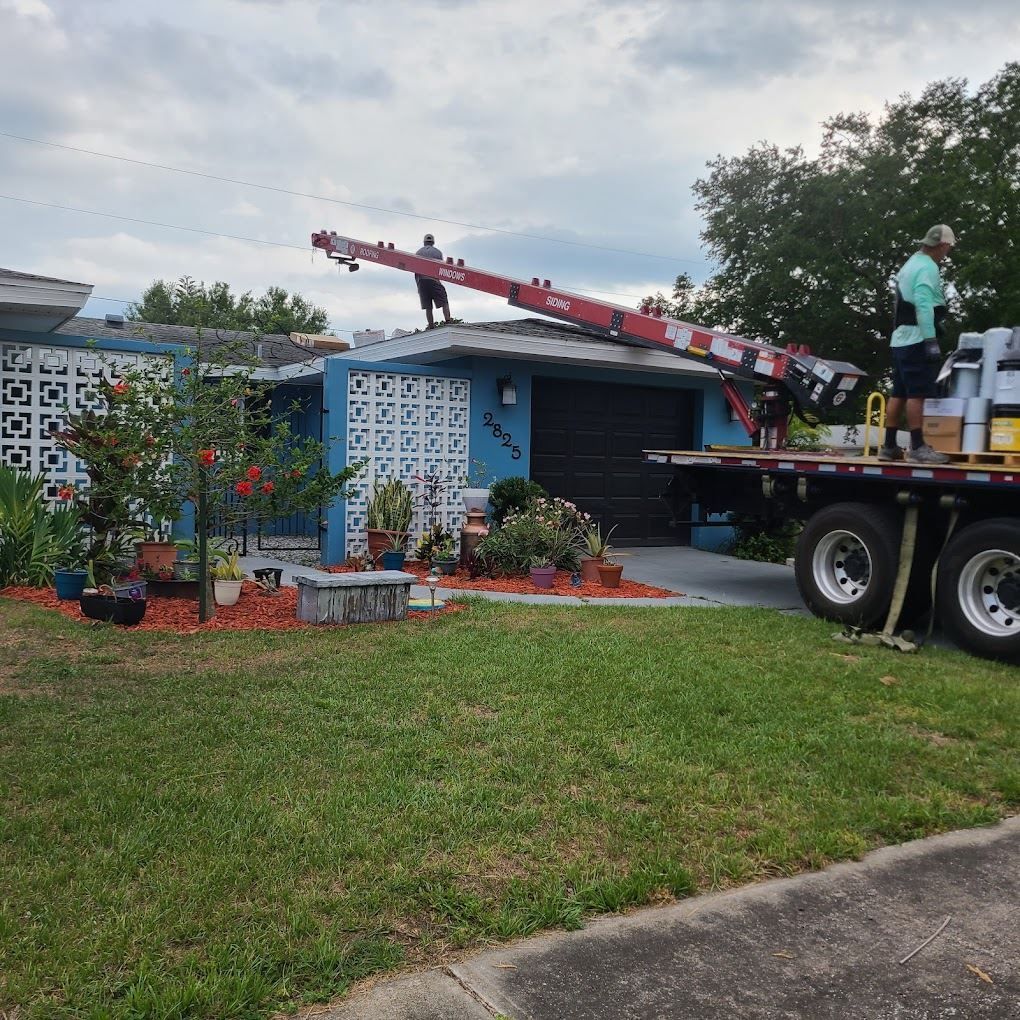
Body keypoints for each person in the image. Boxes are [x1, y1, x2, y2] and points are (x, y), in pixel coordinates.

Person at [879, 224, 957, 464]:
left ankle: (889, 446)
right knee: (918, 394)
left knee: (899, 393)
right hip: (916, 338)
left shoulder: (911, 263)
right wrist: (930, 339)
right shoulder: (927, 267)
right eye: (949, 247)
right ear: (942, 245)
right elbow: (923, 304)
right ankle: (918, 447)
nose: (948, 252)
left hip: (900, 338)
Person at [414, 232, 453, 327]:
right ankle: (448, 321)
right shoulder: (437, 252)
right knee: (444, 302)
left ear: (424, 242)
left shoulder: (418, 252)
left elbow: (415, 270)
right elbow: (440, 269)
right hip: (434, 280)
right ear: (433, 242)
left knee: (428, 307)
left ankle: (431, 325)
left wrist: (419, 285)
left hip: (422, 281)